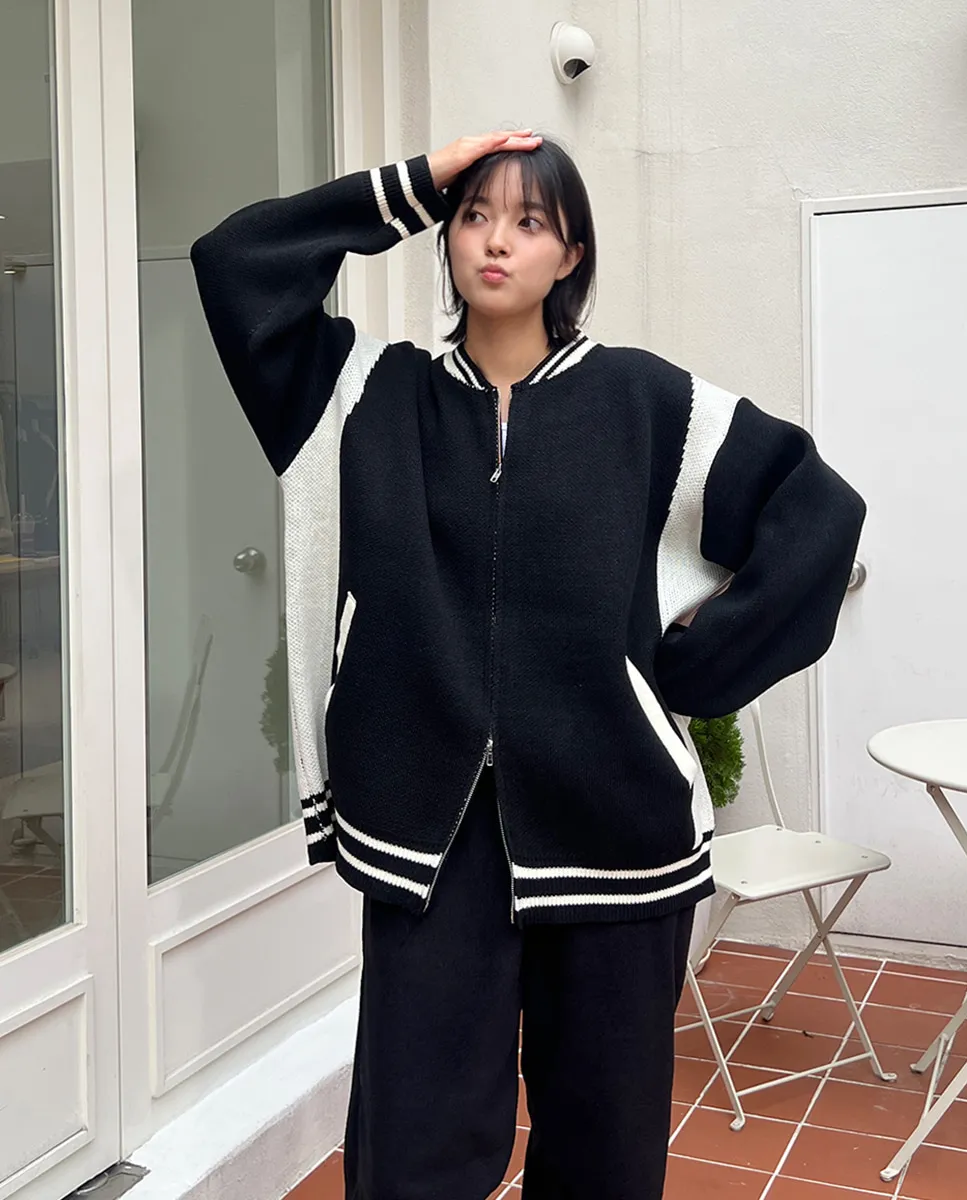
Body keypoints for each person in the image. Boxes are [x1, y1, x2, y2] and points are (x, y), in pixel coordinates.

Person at [190, 128, 866, 1200]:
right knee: (412, 1161)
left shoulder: (648, 405)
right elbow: (236, 264)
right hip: (430, 836)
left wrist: (688, 677)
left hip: (616, 832)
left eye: (529, 221)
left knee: (603, 1158)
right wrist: (419, 180)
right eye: (474, 216)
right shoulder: (361, 396)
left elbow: (819, 515)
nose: (495, 240)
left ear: (571, 255)